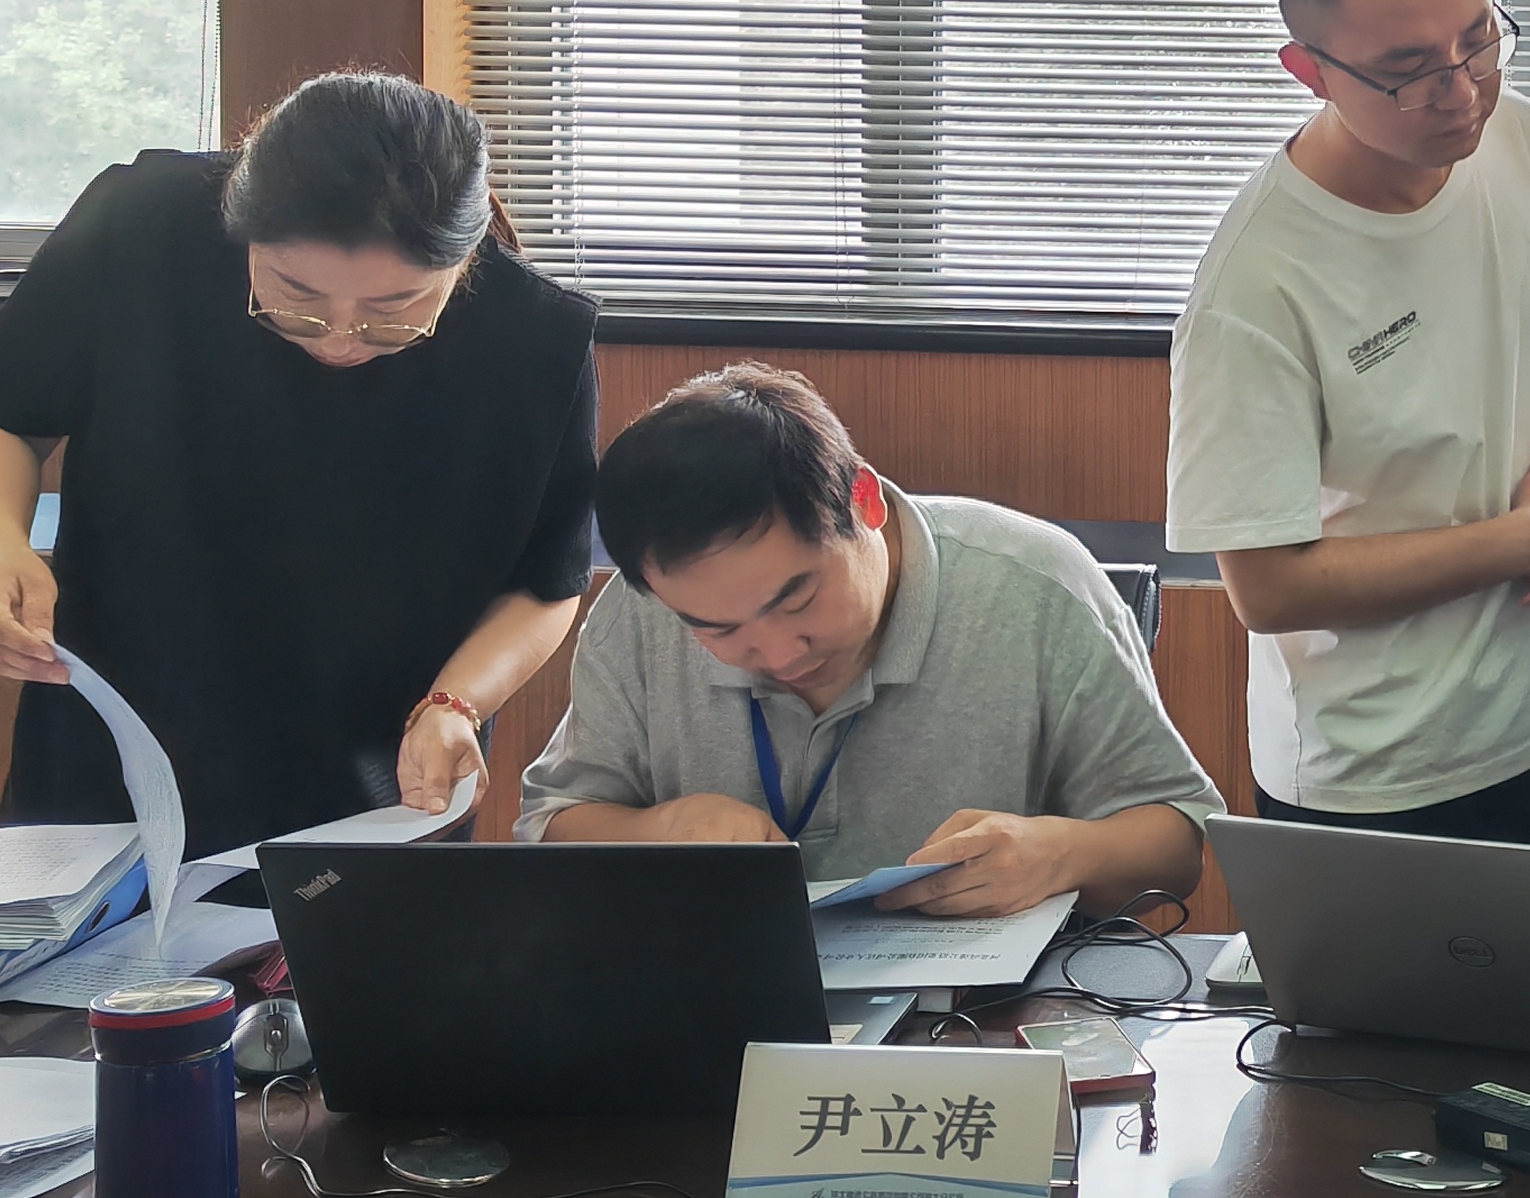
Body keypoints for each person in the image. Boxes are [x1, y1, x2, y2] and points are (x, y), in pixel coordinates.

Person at [0, 73, 599, 856]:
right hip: (112, 732)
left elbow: (546, 583)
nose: (338, 340)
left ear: (465, 256)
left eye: (394, 312)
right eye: (294, 295)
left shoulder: (534, 338)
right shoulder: (141, 226)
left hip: (379, 771)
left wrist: (457, 702)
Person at [1168, 0, 1530, 845]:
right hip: (1367, 774)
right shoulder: (1256, 286)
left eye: (1478, 39)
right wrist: (1511, 546)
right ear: (1310, 71)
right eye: (1411, 70)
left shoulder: (1520, 140)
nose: (1462, 90)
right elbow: (1267, 587)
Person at [517, 364, 1217, 914]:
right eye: (718, 630)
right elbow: (552, 823)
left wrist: (1063, 854)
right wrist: (662, 830)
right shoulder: (641, 613)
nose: (781, 655)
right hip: (719, 995)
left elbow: (1179, 841)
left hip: (984, 1007)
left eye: (797, 598)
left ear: (865, 501)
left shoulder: (1037, 586)